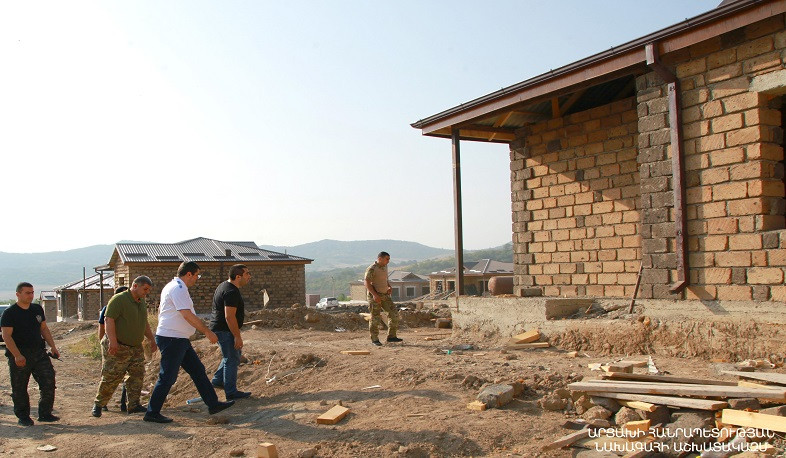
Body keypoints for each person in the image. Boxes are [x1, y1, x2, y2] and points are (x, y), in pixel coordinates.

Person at [144, 261, 234, 423]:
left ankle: (213, 404)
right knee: (168, 376)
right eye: (197, 275)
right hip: (173, 338)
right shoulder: (178, 288)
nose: (197, 279)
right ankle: (152, 412)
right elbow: (186, 314)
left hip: (178, 338)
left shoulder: (174, 287)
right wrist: (207, 331)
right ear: (189, 274)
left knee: (198, 370)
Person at [92, 277, 156, 418]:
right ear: (135, 286)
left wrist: (151, 339)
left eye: (148, 290)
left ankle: (133, 405)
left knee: (137, 376)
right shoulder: (119, 300)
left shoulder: (141, 302)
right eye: (145, 289)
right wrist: (113, 341)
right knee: (112, 376)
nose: (147, 292)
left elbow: (144, 322)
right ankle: (99, 404)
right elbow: (108, 320)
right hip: (119, 346)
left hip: (135, 347)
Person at [0, 282, 60, 426]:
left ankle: (45, 413)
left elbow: (44, 329)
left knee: (48, 381)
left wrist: (53, 347)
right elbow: (6, 336)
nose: (31, 295)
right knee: (20, 387)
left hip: (39, 353)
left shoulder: (37, 309)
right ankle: (23, 416)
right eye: (27, 293)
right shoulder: (10, 313)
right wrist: (17, 355)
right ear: (18, 294)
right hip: (20, 354)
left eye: (32, 292)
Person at [209, 264, 252, 400]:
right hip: (224, 330)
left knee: (233, 355)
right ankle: (231, 392)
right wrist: (237, 336)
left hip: (221, 329)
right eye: (247, 274)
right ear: (238, 277)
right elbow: (229, 316)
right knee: (231, 359)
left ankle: (218, 380)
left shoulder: (224, 286)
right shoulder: (231, 291)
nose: (249, 276)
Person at [98, 285, 129, 412]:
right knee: (109, 374)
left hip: (127, 345)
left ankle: (124, 403)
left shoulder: (132, 308)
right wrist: (103, 342)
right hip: (112, 345)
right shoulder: (108, 308)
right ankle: (102, 403)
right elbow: (102, 326)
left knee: (127, 374)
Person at [364, 251, 402, 346]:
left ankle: (391, 336)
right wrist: (374, 295)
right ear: (380, 259)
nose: (388, 261)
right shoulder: (372, 268)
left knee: (394, 314)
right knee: (375, 318)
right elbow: (367, 283)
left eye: (389, 259)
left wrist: (389, 286)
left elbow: (385, 279)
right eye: (387, 259)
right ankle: (375, 339)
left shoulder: (385, 267)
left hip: (385, 295)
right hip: (375, 296)